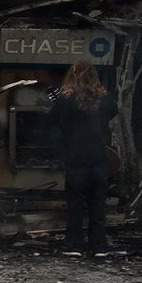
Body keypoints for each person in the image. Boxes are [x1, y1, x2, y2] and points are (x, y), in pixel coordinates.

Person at [48, 61, 118, 251]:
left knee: (76, 206)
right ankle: (99, 246)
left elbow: (52, 122)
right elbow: (114, 111)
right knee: (97, 207)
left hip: (76, 159)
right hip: (99, 160)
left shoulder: (64, 100)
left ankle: (74, 245)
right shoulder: (105, 99)